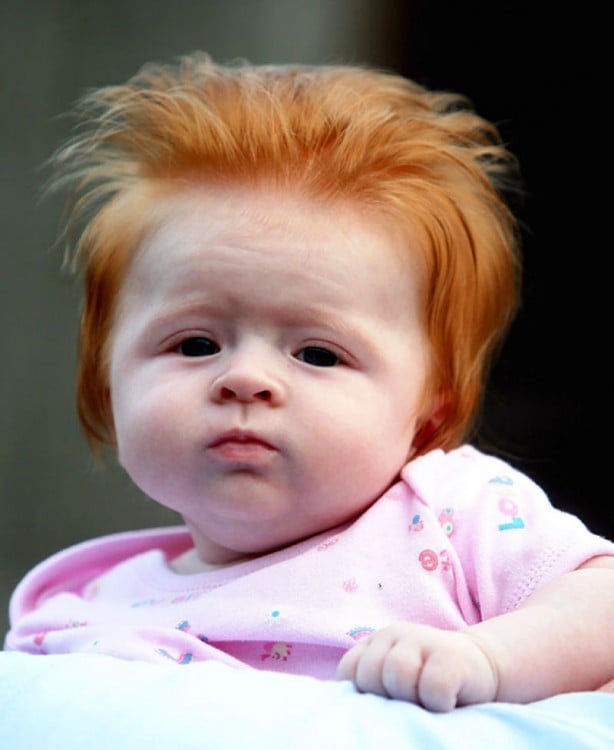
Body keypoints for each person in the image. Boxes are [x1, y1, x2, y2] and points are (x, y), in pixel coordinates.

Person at [5, 53, 614, 713]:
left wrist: (492, 659)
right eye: (195, 344)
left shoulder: (451, 517)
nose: (244, 378)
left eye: (319, 354)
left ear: (427, 413)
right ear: (104, 386)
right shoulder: (76, 616)